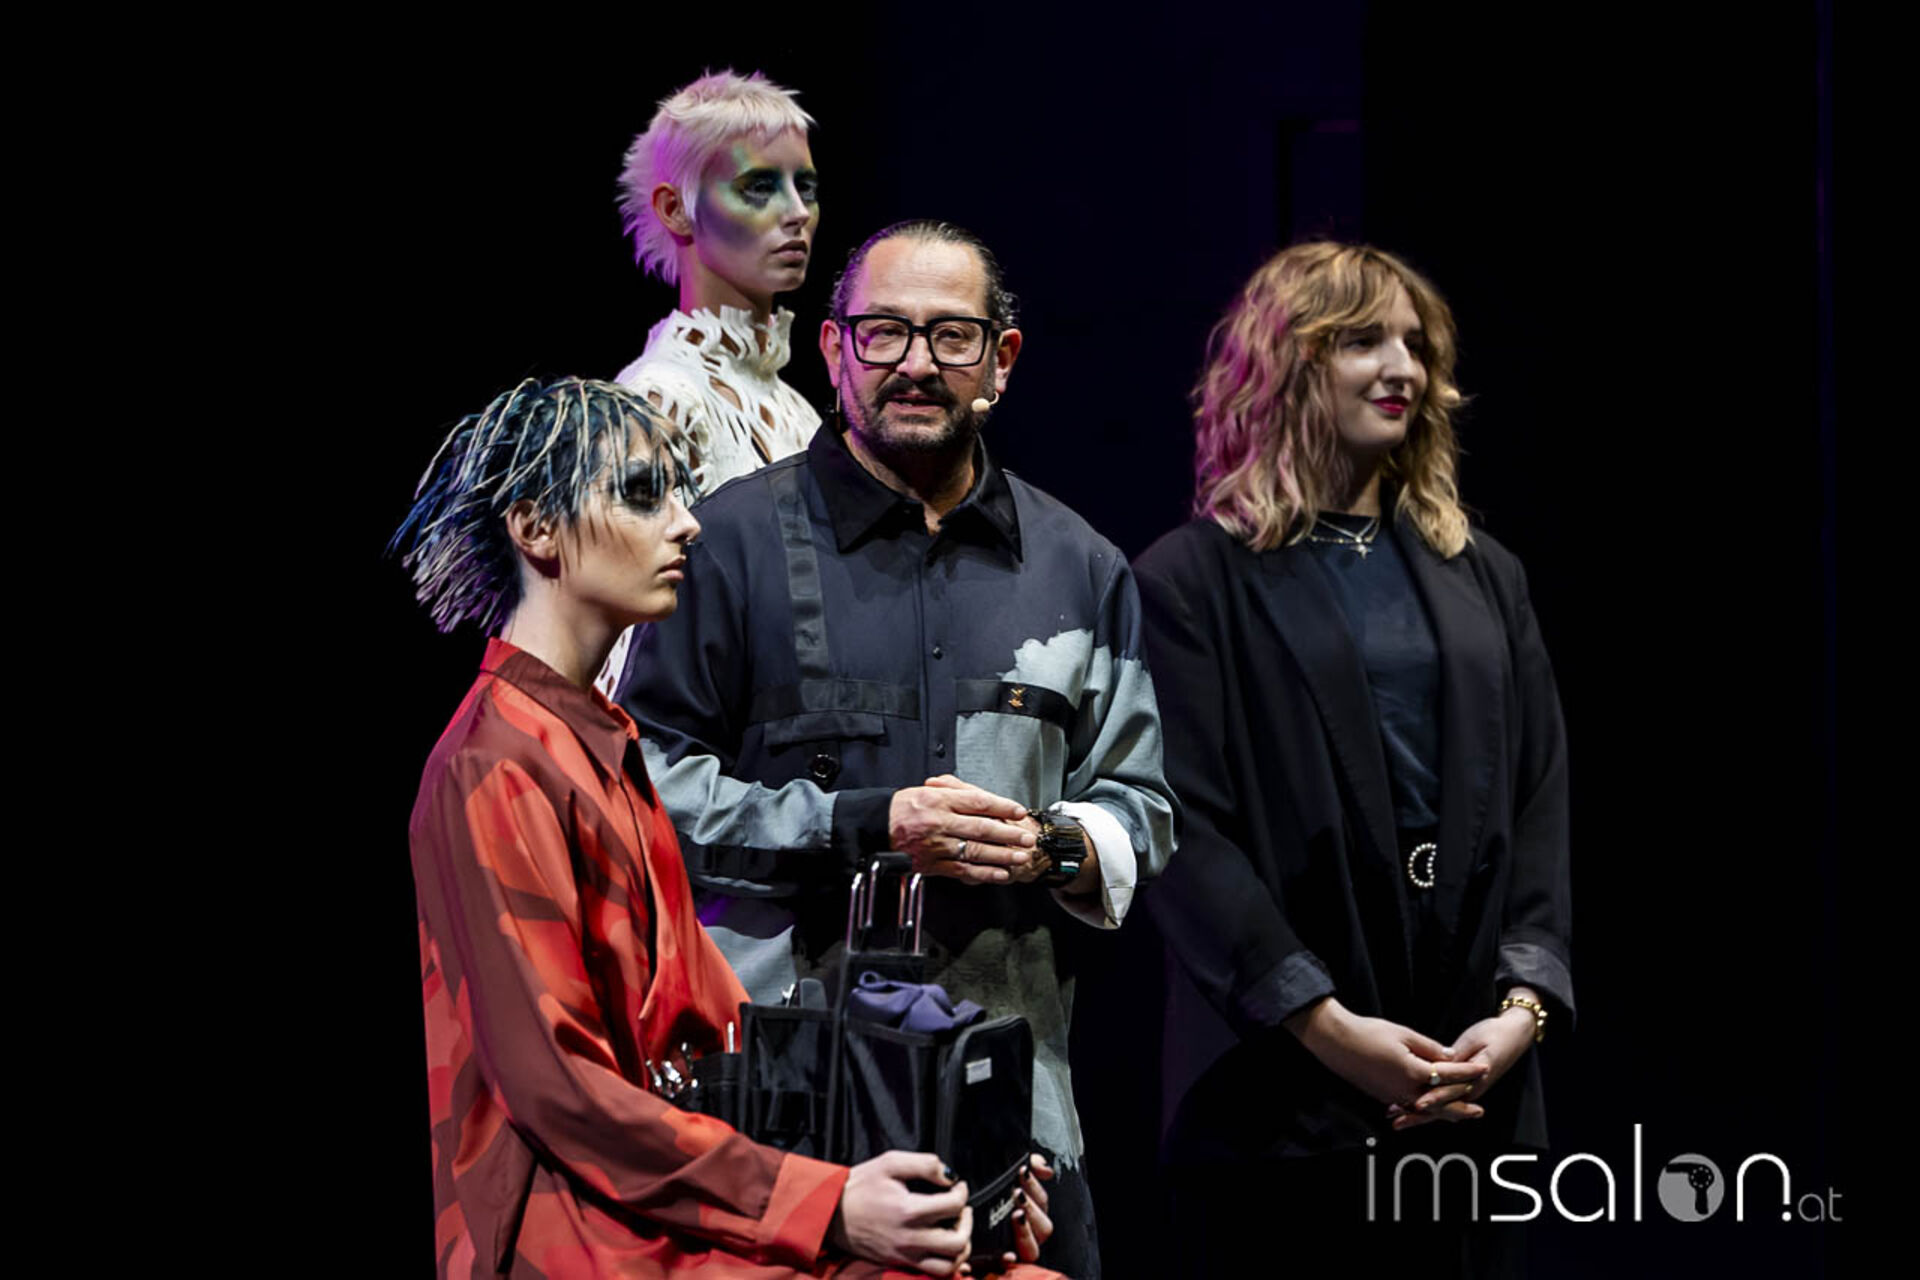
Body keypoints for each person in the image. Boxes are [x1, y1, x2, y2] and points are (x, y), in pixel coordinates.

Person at [615, 221, 1178, 1279]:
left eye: (952, 336)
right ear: (834, 349)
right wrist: (858, 823)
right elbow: (641, 792)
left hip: (1017, 1127)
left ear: (1001, 362)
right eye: (884, 332)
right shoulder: (727, 543)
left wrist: (1049, 845)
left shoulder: (1081, 566)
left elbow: (1142, 805)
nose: (916, 362)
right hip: (785, 1126)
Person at [394, 377, 1053, 1278]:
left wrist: (958, 1157)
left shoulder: (600, 744)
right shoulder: (494, 764)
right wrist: (826, 1204)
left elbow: (721, 1034)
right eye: (642, 494)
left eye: (677, 491)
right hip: (580, 1233)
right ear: (536, 529)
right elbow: (560, 1091)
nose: (687, 523)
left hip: (665, 1206)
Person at [1134, 243, 1572, 1276]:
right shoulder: (1191, 582)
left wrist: (1521, 1008)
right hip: (1280, 1099)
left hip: (1469, 1077)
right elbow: (1183, 829)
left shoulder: (1485, 574)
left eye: (1416, 345)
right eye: (1364, 340)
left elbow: (1540, 795)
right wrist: (1327, 1026)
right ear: (1286, 364)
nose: (1403, 367)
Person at [598, 69, 824, 698]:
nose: (797, 213)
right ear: (676, 209)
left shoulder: (798, 409)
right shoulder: (661, 397)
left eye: (805, 186)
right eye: (759, 186)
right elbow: (615, 647)